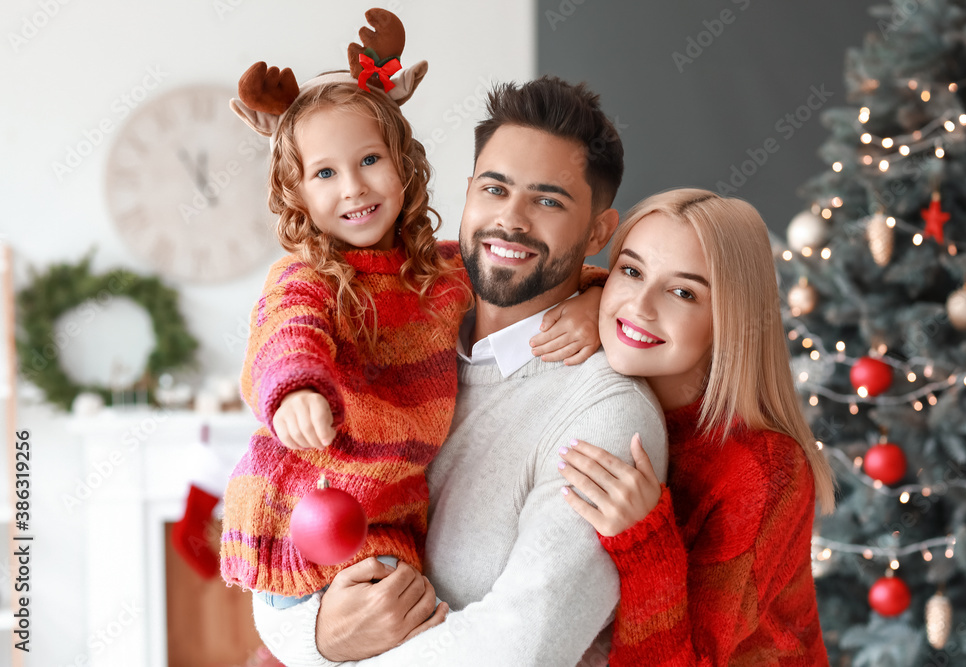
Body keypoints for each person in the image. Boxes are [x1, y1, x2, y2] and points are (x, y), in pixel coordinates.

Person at [251, 77, 668, 666]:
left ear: (599, 232)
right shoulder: (406, 320)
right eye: (495, 189)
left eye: (549, 201)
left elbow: (519, 651)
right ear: (469, 193)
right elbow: (285, 537)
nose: (512, 221)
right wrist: (317, 638)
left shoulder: (606, 413)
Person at [219, 9, 602, 637]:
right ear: (298, 195)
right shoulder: (308, 277)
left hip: (388, 515)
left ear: (403, 162)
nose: (353, 187)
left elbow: (535, 276)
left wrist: (592, 294)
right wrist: (295, 391)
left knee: (415, 621)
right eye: (324, 173)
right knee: (398, 626)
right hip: (305, 510)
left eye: (369, 159)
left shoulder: (441, 273)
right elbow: (288, 334)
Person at [556, 188, 837, 665]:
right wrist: (591, 294)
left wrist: (644, 540)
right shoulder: (594, 379)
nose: (640, 306)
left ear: (730, 320)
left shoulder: (766, 471)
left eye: (683, 292)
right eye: (631, 270)